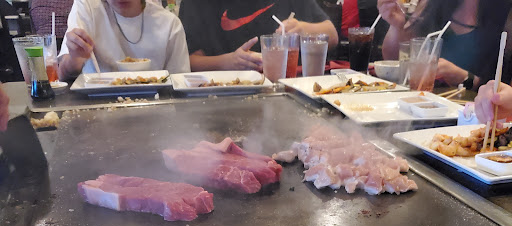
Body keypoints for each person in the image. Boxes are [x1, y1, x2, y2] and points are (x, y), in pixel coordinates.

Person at [377, 0, 512, 89]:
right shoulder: (432, 4)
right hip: (422, 106)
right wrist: (396, 26)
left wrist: (464, 78)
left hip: (472, 115)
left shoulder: (506, 13)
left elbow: (505, 95)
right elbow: (394, 59)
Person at [179, 0, 338, 71]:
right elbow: (190, 62)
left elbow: (332, 35)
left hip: (291, 92)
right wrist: (229, 62)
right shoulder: (197, 4)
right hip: (224, 96)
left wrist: (303, 29)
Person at [58, 0, 190, 80]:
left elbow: (180, 83)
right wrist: (75, 59)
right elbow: (63, 75)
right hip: (95, 109)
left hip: (155, 108)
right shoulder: (88, 8)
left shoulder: (169, 24)